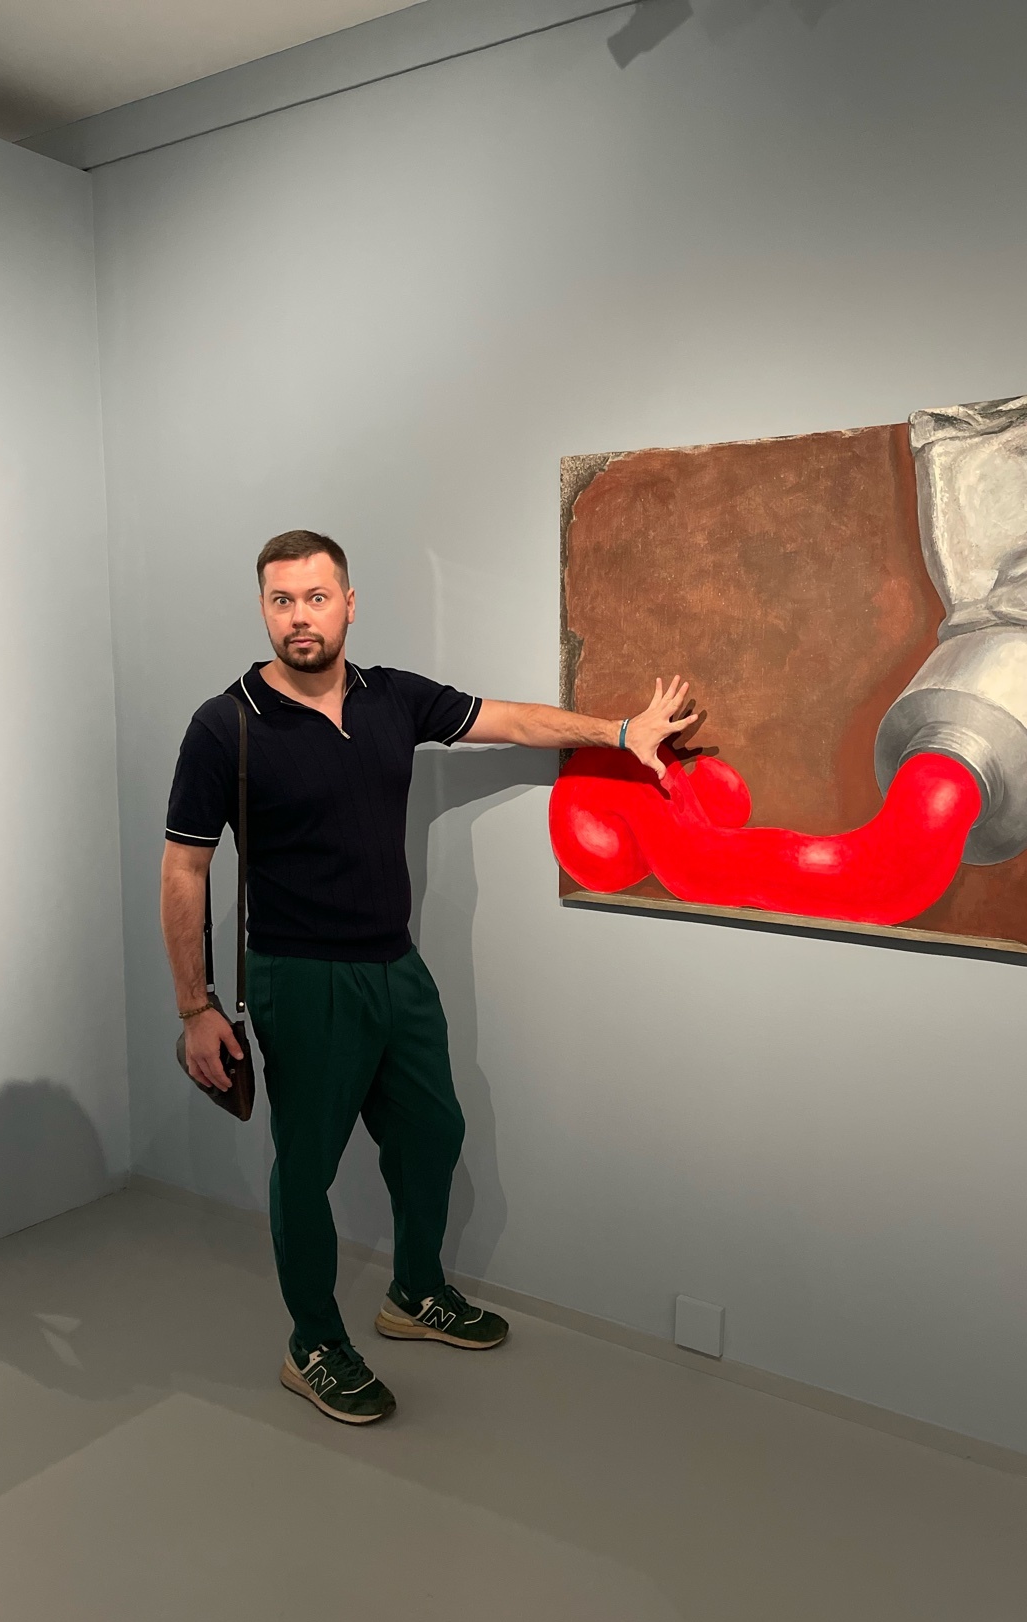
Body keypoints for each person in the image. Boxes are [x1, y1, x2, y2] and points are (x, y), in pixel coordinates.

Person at [161, 529, 695, 1426]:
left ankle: (413, 1295)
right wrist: (195, 1006)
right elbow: (184, 870)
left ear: (350, 603)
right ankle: (315, 1344)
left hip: (396, 967)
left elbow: (511, 719)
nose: (300, 617)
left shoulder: (392, 698)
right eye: (282, 600)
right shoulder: (228, 725)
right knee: (306, 1172)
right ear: (263, 608)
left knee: (433, 1134)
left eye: (317, 597)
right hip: (299, 975)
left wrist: (617, 733)